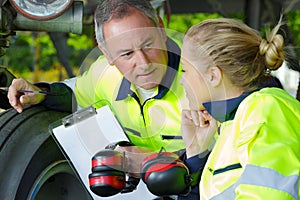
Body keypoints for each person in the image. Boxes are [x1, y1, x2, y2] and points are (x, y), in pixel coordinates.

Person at [7, 0, 204, 198]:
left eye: (148, 45)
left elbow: (229, 163)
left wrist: (151, 162)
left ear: (161, 30)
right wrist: (39, 94)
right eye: (127, 54)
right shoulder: (104, 74)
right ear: (107, 53)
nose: (143, 63)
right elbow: (75, 93)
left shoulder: (204, 79)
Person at [180, 17, 300, 199]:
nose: (181, 80)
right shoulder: (232, 123)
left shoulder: (265, 108)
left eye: (184, 70)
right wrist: (196, 154)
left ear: (213, 76)